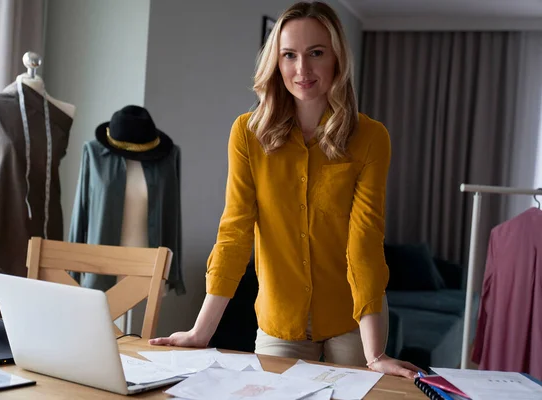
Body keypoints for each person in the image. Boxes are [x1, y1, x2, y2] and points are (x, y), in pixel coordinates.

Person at [150, 1, 423, 379]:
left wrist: (374, 354)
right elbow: (235, 233)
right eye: (289, 55)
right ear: (275, 63)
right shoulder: (247, 134)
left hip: (352, 321)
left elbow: (365, 242)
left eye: (316, 53)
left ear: (337, 59)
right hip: (280, 323)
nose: (302, 69)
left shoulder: (371, 138)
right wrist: (201, 332)